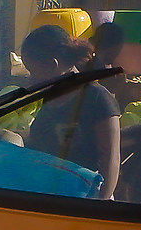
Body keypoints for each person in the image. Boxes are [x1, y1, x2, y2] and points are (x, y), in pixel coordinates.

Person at [19, 22, 119, 196]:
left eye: (33, 71)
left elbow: (110, 160)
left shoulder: (97, 99)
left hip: (84, 198)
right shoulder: (44, 98)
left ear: (53, 64)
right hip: (47, 194)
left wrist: (99, 206)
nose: (30, 79)